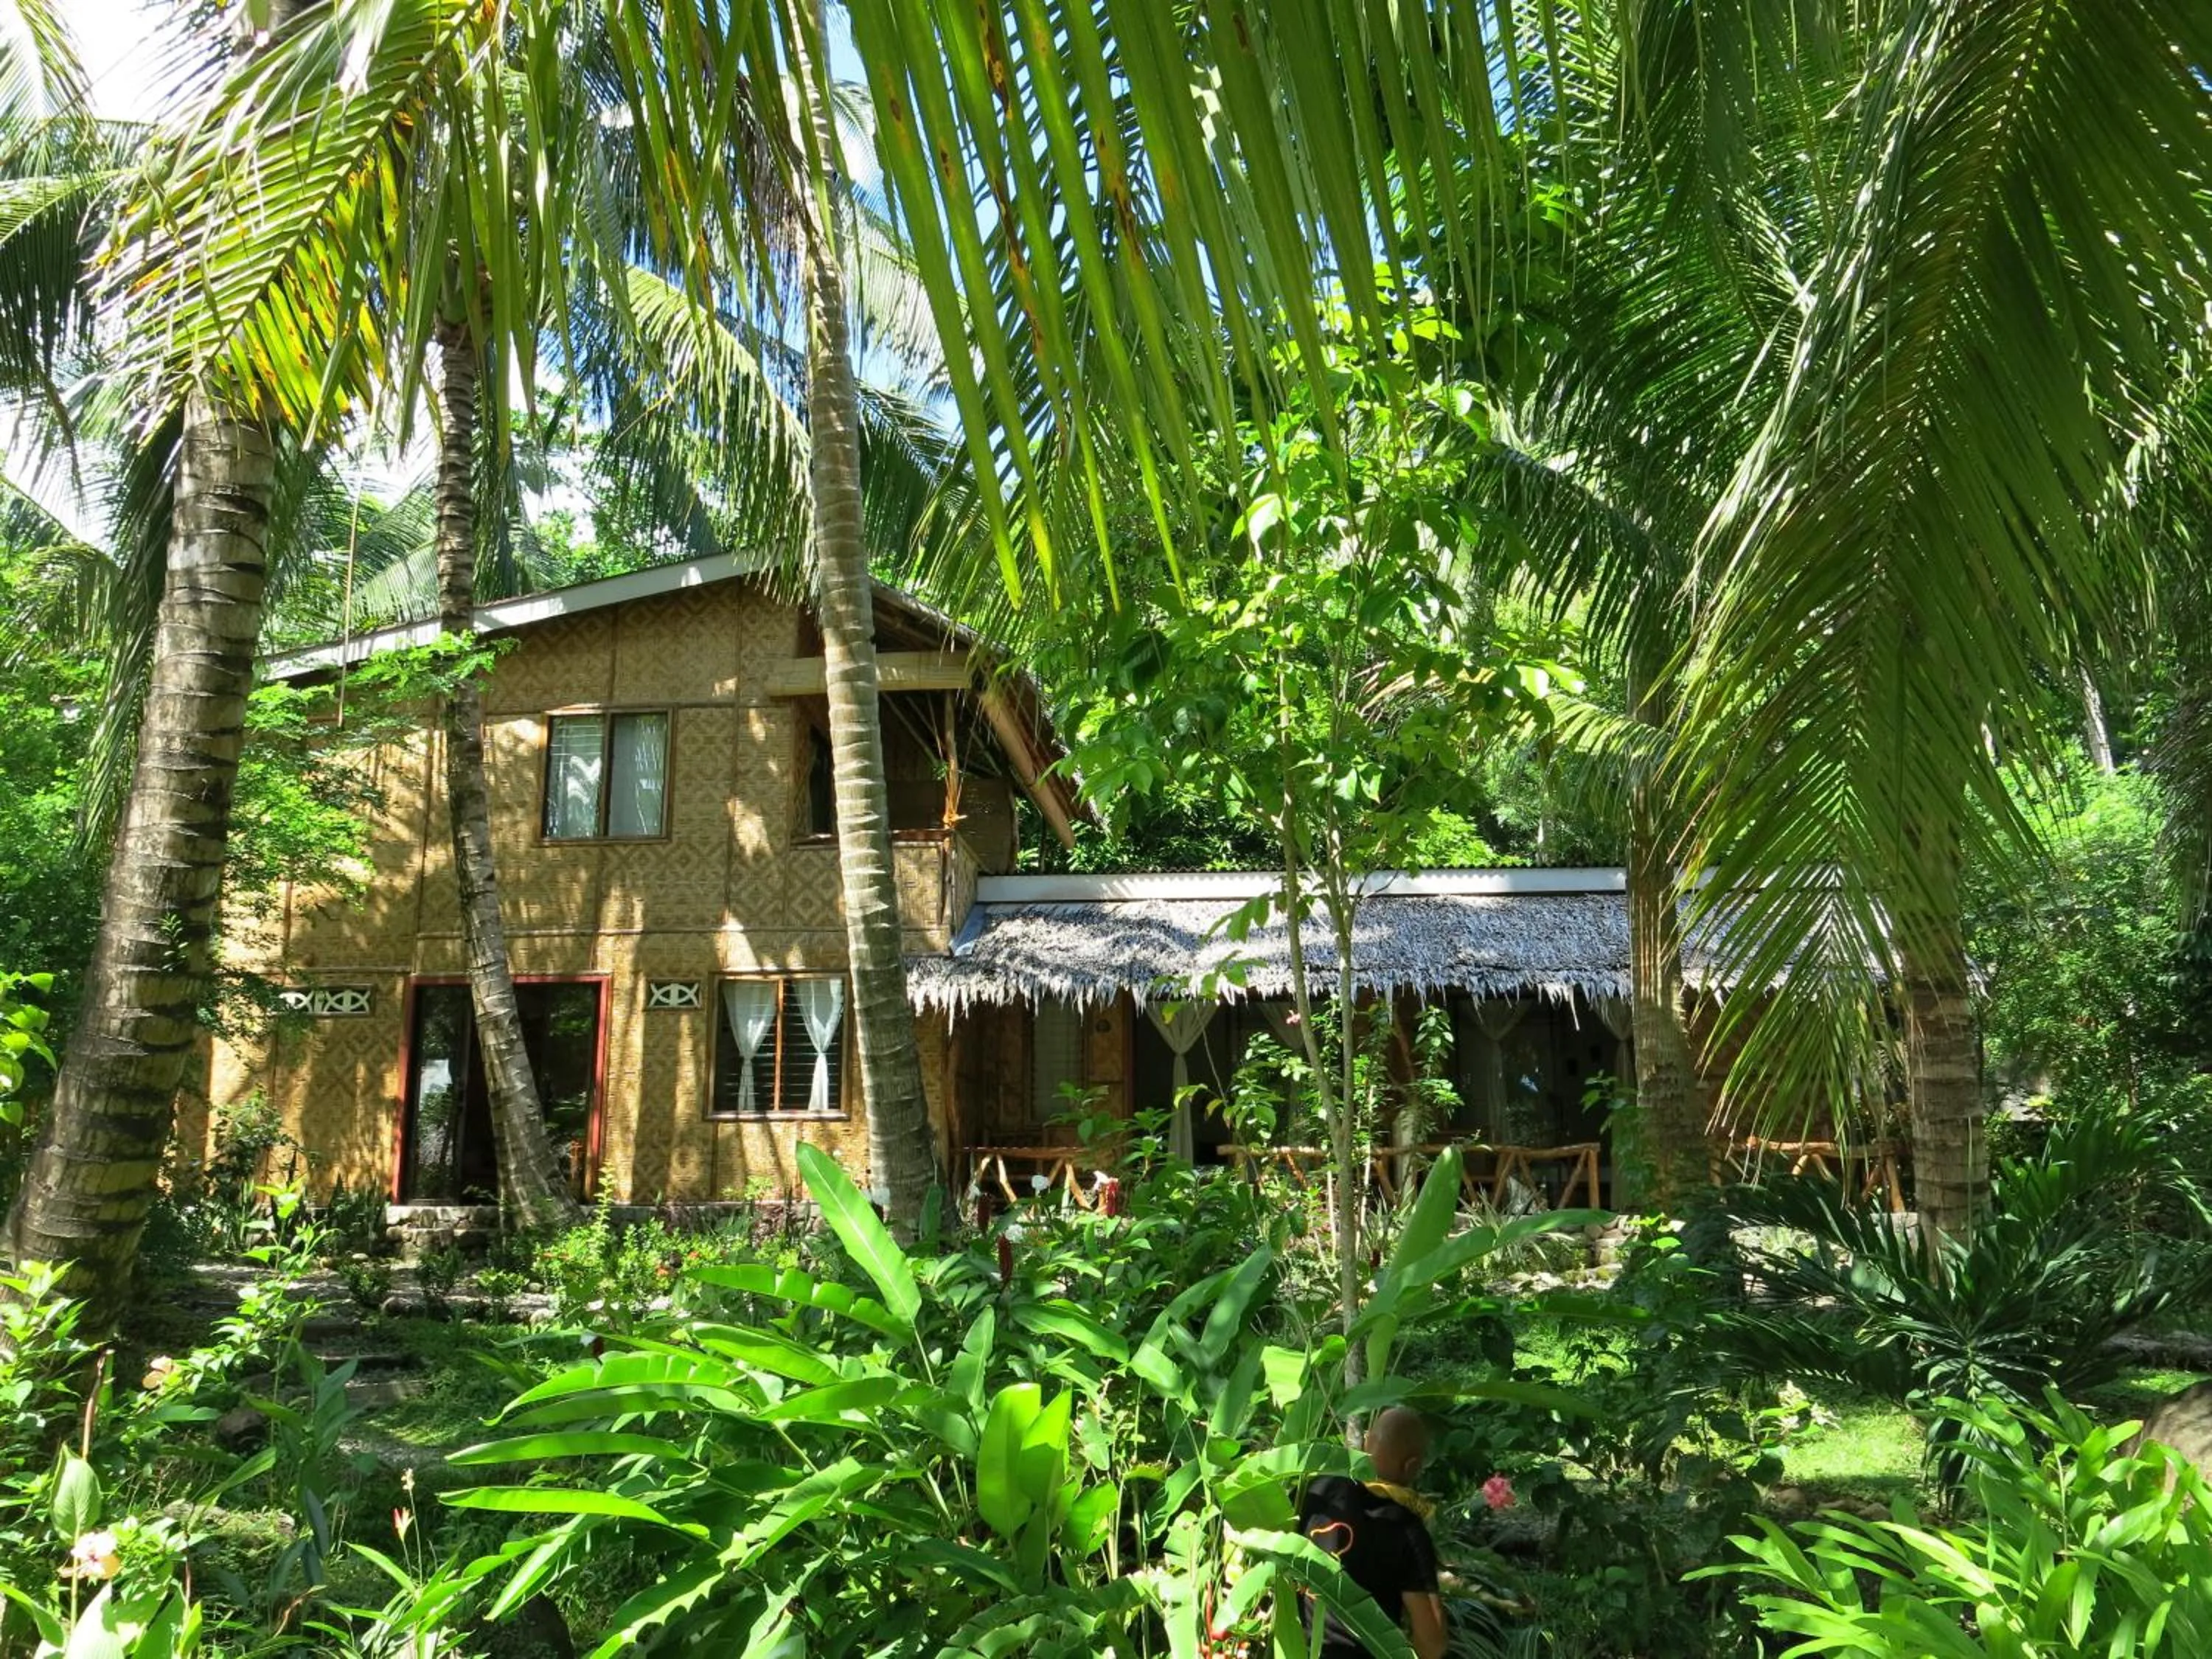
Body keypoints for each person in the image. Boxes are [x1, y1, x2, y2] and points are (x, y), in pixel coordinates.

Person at [1297, 1407, 1449, 1659]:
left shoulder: (1314, 1490)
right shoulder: (1405, 1527)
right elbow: (1432, 1642)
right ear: (1411, 1466)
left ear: (1367, 1442)